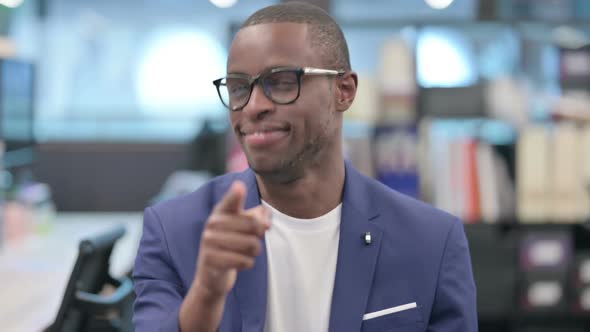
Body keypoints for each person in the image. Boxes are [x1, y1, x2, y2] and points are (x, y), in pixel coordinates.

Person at [132, 2, 478, 332]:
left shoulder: (431, 242)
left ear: (344, 91)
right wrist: (206, 293)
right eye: (239, 88)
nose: (252, 107)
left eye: (281, 82)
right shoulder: (173, 232)